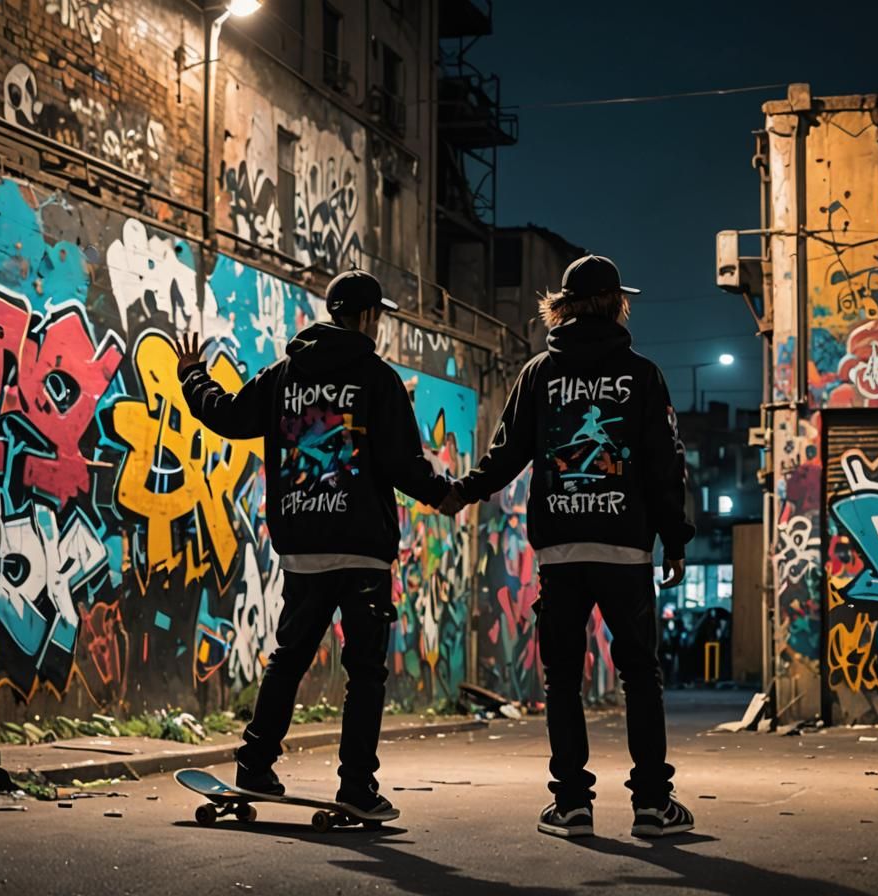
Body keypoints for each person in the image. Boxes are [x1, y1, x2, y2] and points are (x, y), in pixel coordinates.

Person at [176, 269, 451, 822]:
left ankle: (254, 764)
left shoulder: (283, 376)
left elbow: (227, 415)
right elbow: (403, 463)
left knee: (289, 658)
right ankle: (357, 786)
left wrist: (192, 376)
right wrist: (446, 494)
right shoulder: (378, 378)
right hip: (362, 550)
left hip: (303, 545)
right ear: (368, 316)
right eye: (379, 317)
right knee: (365, 671)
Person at [442, 255, 696, 839]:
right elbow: (664, 463)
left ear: (562, 306)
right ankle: (652, 805)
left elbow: (507, 452)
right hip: (625, 549)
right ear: (617, 304)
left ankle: (573, 804)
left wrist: (463, 491)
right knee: (641, 675)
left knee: (562, 679)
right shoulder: (643, 375)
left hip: (560, 550)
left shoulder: (539, 373)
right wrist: (675, 539)